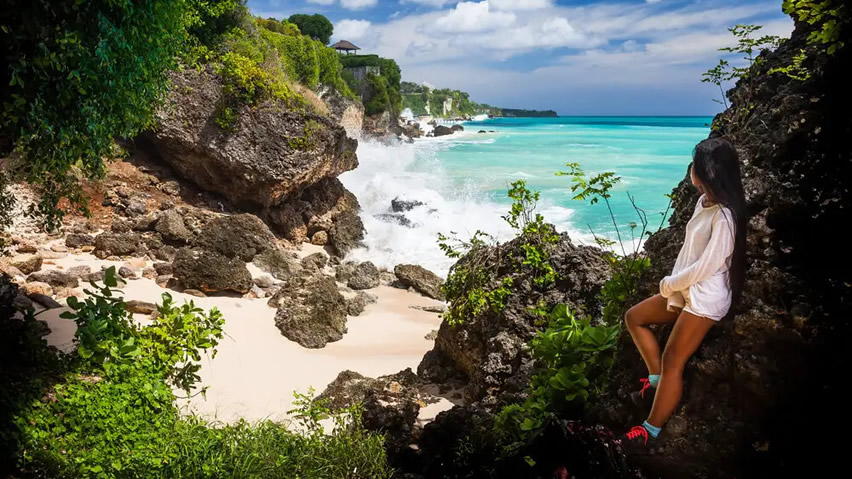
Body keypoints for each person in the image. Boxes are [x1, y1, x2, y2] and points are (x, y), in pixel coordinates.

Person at [619, 137, 747, 452]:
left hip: (705, 298)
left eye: (696, 166)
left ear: (708, 173)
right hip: (684, 289)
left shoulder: (725, 217)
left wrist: (669, 285)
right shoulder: (703, 203)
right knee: (634, 318)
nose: (691, 170)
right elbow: (690, 253)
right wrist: (674, 287)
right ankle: (656, 382)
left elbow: (707, 267)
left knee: (673, 359)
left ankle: (650, 431)